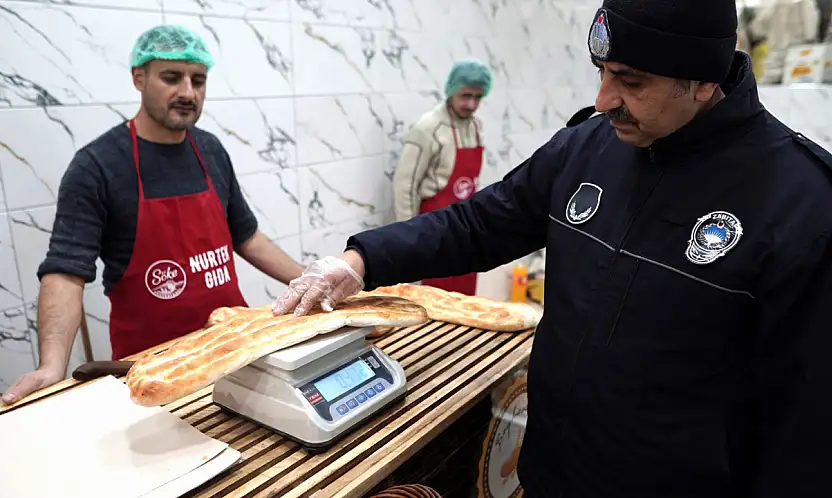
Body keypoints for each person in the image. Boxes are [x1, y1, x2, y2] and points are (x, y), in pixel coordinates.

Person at [270, 0, 832, 496]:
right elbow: (479, 223)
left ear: (704, 80)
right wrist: (361, 260)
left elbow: (805, 428)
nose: (603, 100)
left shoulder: (800, 202)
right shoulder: (588, 147)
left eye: (630, 81)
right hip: (549, 473)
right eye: (602, 72)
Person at [0, 25, 304, 406]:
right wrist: (51, 366)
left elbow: (247, 237)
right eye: (172, 78)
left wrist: (313, 282)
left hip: (233, 348)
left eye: (198, 80)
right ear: (138, 78)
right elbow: (65, 272)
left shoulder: (211, 150)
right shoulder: (97, 166)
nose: (188, 93)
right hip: (152, 371)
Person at [391, 59, 492, 295]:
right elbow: (405, 185)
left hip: (467, 230)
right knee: (435, 300)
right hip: (433, 229)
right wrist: (408, 236)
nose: (471, 104)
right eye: (465, 96)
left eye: (477, 97)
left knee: (466, 302)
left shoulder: (476, 127)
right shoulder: (428, 128)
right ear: (451, 90)